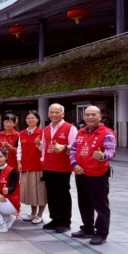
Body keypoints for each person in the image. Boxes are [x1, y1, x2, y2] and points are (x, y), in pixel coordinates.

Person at [70, 106, 117, 246]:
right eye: (87, 115)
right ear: (84, 117)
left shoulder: (107, 133)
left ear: (100, 117)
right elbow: (73, 150)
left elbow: (111, 152)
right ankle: (88, 229)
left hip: (97, 175)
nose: (90, 117)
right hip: (81, 173)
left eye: (93, 115)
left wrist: (102, 156)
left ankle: (101, 233)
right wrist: (74, 164)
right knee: (84, 203)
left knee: (101, 206)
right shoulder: (81, 132)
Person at [36, 104, 78, 234]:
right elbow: (44, 148)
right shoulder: (46, 129)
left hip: (63, 167)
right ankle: (55, 218)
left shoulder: (70, 128)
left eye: (57, 112)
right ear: (48, 114)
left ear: (63, 114)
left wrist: (64, 147)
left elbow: (75, 146)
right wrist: (43, 159)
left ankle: (65, 221)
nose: (54, 115)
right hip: (48, 166)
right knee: (51, 194)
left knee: (63, 194)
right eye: (52, 112)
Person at [17, 111, 47, 225]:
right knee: (30, 191)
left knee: (40, 192)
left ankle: (40, 215)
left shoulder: (42, 132)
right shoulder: (22, 133)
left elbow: (44, 150)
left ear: (37, 120)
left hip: (38, 166)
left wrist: (39, 144)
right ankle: (33, 213)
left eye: (33, 118)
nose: (30, 120)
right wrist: (19, 162)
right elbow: (19, 150)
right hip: (26, 166)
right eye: (28, 118)